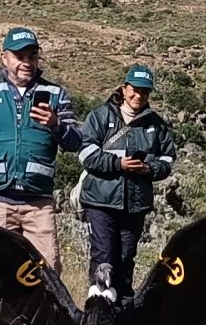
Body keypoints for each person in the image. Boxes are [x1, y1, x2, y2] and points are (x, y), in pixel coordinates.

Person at [0, 27, 82, 266]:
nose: (26, 62)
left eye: (32, 56)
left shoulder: (56, 94)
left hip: (38, 202)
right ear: (4, 58)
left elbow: (75, 142)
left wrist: (56, 124)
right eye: (19, 57)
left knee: (48, 270)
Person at [74, 64, 175, 297]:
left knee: (125, 258)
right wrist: (118, 164)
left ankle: (122, 312)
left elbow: (167, 160)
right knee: (103, 257)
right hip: (100, 201)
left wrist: (148, 168)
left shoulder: (156, 125)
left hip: (135, 205)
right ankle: (98, 310)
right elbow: (86, 154)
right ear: (124, 88)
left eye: (145, 91)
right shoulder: (100, 116)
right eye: (135, 90)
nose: (139, 95)